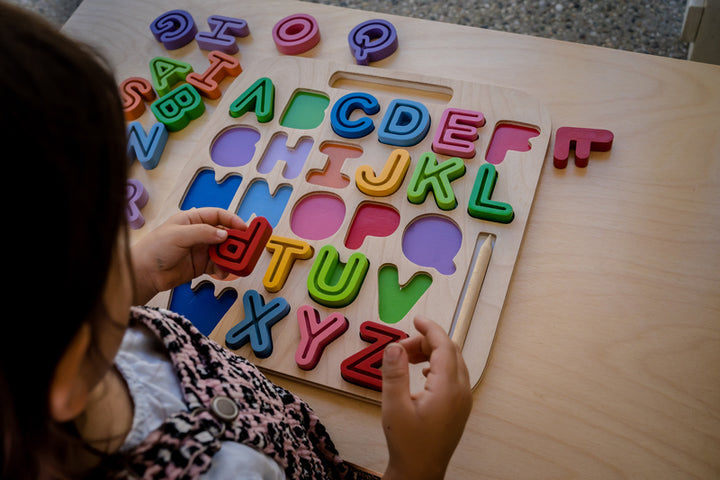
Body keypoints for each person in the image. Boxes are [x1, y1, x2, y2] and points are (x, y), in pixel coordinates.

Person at [0, 3, 472, 479]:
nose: (127, 239)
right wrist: (418, 465)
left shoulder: (42, 344)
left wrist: (134, 277)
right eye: (107, 244)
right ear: (66, 373)